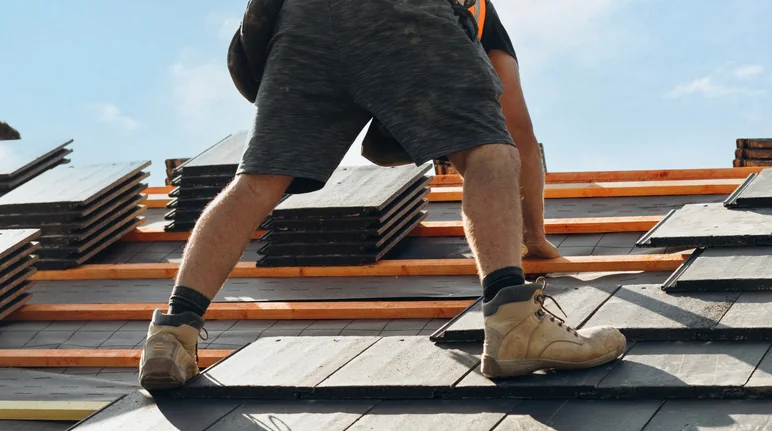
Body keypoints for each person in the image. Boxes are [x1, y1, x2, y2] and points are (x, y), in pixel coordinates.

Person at [138, 0, 625, 391]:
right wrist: (533, 236)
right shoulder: (480, 11)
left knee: (258, 181)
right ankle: (515, 323)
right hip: (403, 15)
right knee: (490, 155)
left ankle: (171, 336)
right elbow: (516, 126)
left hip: (301, 20)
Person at [478, 0, 558, 260]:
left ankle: (534, 237)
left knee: (518, 131)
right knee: (476, 143)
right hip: (423, 27)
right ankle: (521, 241)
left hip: (476, 20)